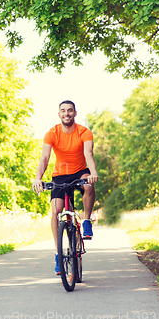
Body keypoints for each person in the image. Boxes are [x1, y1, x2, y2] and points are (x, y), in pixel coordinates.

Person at [32, 100, 98, 275]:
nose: (66, 113)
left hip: (80, 172)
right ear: (59, 114)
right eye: (63, 111)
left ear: (75, 113)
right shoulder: (52, 133)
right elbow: (44, 158)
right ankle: (58, 253)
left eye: (70, 111)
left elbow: (88, 154)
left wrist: (93, 172)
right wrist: (37, 178)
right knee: (56, 211)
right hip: (60, 175)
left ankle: (86, 221)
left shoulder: (84, 132)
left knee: (89, 185)